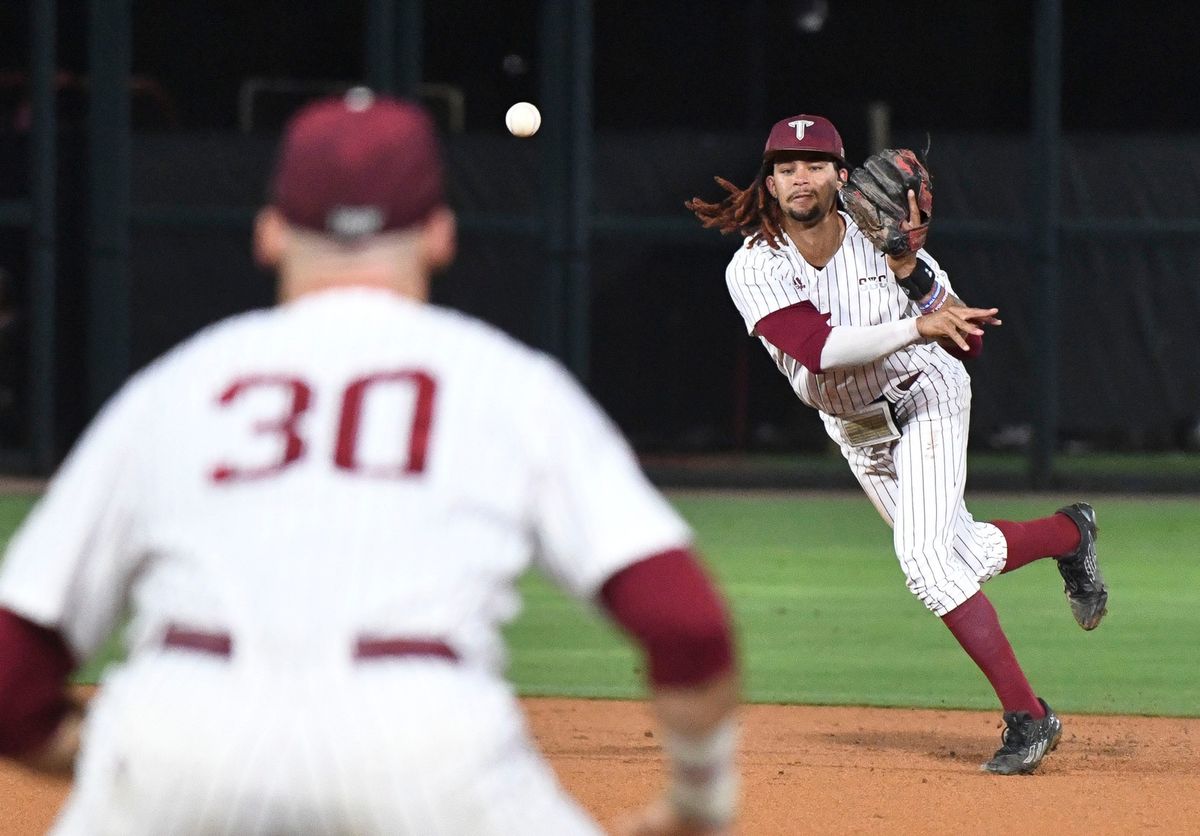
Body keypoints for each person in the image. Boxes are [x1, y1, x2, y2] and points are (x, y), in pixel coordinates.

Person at [0, 89, 740, 835]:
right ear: (440, 235)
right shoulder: (509, 383)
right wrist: (697, 802)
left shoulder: (172, 389)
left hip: (177, 720)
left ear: (270, 233)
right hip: (422, 744)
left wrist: (123, 759)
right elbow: (686, 625)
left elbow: (10, 676)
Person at [686, 113, 1107, 775]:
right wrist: (915, 325)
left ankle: (1029, 717)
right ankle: (1069, 533)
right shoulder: (755, 268)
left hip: (925, 396)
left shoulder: (885, 242)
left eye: (816, 163)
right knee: (957, 555)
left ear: (841, 175)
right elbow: (819, 352)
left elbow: (968, 341)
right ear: (768, 183)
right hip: (858, 431)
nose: (801, 176)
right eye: (787, 166)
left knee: (925, 564)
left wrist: (912, 269)